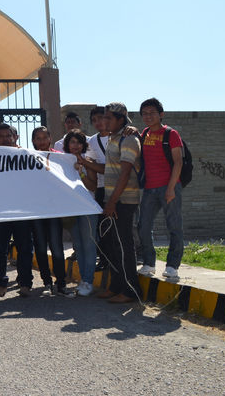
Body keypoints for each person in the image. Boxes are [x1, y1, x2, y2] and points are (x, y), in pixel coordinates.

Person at [79, 103, 142, 304]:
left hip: (123, 200)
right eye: (103, 117)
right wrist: (83, 162)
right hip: (112, 199)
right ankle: (116, 286)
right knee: (112, 246)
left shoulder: (129, 139)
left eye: (108, 118)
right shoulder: (113, 138)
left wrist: (112, 202)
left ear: (120, 119)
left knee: (124, 246)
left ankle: (131, 291)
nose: (104, 121)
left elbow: (125, 173)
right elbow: (109, 169)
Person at [137, 97, 184, 281]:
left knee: (174, 226)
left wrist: (171, 188)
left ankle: (172, 266)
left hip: (169, 186)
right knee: (143, 226)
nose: (148, 116)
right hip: (150, 189)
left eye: (152, 113)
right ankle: (149, 263)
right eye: (144, 114)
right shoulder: (144, 134)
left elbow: (178, 162)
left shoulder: (171, 134)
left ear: (161, 114)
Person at [0, 123, 34, 298]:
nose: (5, 139)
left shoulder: (27, 155)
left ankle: (25, 282)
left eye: (9, 135)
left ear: (16, 137)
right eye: (1, 136)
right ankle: (1, 282)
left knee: (24, 247)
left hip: (22, 209)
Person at [29, 126, 72, 297]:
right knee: (40, 248)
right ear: (33, 141)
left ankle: (61, 284)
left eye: (44, 137)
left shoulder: (59, 157)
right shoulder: (27, 158)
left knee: (56, 248)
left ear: (50, 138)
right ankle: (47, 282)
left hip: (54, 210)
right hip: (36, 210)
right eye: (38, 138)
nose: (41, 141)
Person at [63, 129, 98, 297]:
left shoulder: (89, 161)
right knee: (78, 245)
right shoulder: (61, 162)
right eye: (72, 142)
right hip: (71, 208)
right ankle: (83, 280)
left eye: (78, 142)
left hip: (88, 207)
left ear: (83, 145)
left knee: (89, 245)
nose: (75, 145)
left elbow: (92, 186)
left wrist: (81, 172)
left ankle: (88, 281)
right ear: (67, 145)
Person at [85, 106, 111, 271]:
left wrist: (94, 165)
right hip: (101, 187)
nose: (98, 122)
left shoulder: (120, 136)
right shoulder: (92, 141)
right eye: (94, 120)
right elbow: (91, 164)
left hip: (120, 187)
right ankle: (104, 259)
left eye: (101, 118)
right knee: (102, 227)